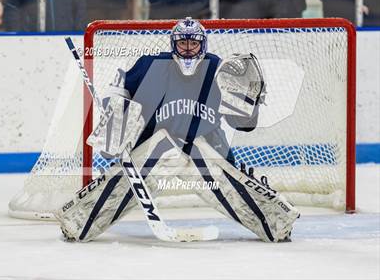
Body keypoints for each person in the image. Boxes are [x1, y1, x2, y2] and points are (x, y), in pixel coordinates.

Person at [56, 17, 300, 243]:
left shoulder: (218, 69)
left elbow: (242, 125)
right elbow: (120, 89)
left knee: (226, 179)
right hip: (156, 149)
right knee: (158, 149)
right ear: (173, 45)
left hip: (203, 149)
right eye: (182, 44)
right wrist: (115, 115)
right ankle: (78, 222)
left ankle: (274, 222)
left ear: (203, 46)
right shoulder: (151, 65)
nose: (187, 50)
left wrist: (250, 103)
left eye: (193, 44)